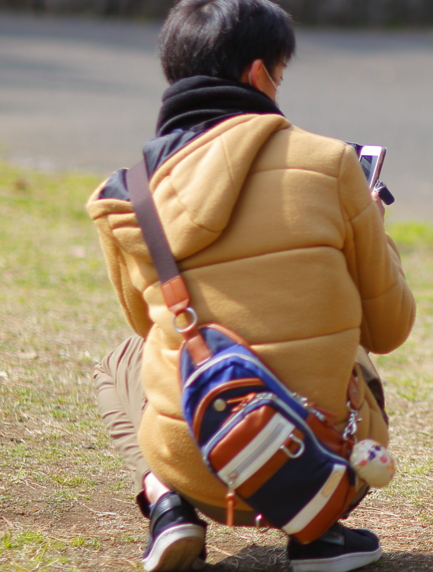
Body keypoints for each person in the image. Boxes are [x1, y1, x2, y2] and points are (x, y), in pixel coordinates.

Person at [86, 0, 416, 569]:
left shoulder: (129, 193)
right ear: (260, 74)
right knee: (355, 351)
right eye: (281, 76)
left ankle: (168, 504)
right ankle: (317, 534)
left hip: (197, 458)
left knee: (123, 360)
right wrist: (372, 221)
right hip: (320, 460)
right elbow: (390, 328)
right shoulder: (331, 164)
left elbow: (147, 327)